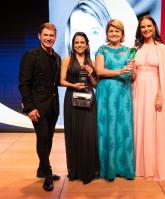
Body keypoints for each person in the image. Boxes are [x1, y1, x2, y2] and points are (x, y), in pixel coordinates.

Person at [18, 22, 61, 191]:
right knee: (42, 138)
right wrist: (29, 108)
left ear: (55, 37)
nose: (49, 38)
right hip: (38, 107)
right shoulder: (31, 55)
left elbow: (56, 81)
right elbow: (24, 84)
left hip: (53, 106)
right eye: (46, 35)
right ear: (39, 36)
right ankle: (47, 173)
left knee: (48, 138)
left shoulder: (57, 57)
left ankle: (41, 169)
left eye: (51, 35)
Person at [132, 15, 165, 181]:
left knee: (152, 127)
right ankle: (140, 167)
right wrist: (131, 72)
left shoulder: (161, 48)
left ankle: (153, 166)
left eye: (149, 26)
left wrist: (160, 95)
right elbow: (133, 73)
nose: (146, 29)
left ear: (154, 27)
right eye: (143, 27)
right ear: (140, 29)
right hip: (137, 89)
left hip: (153, 90)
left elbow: (164, 74)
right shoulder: (136, 48)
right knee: (139, 126)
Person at [95, 19, 135, 181]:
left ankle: (124, 168)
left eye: (117, 31)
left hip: (123, 93)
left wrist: (132, 70)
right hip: (106, 93)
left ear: (122, 34)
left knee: (123, 129)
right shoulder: (102, 50)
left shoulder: (129, 51)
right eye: (111, 31)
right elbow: (99, 71)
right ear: (107, 33)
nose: (114, 34)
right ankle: (108, 169)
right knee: (107, 129)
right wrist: (120, 70)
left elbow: (132, 75)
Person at [60, 32, 99, 184]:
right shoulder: (67, 60)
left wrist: (90, 76)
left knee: (89, 135)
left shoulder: (93, 61)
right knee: (74, 134)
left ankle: (88, 172)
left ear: (87, 44)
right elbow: (62, 81)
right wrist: (73, 85)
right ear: (73, 44)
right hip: (72, 99)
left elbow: (95, 84)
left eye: (82, 42)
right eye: (76, 42)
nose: (79, 45)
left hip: (89, 100)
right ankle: (75, 171)